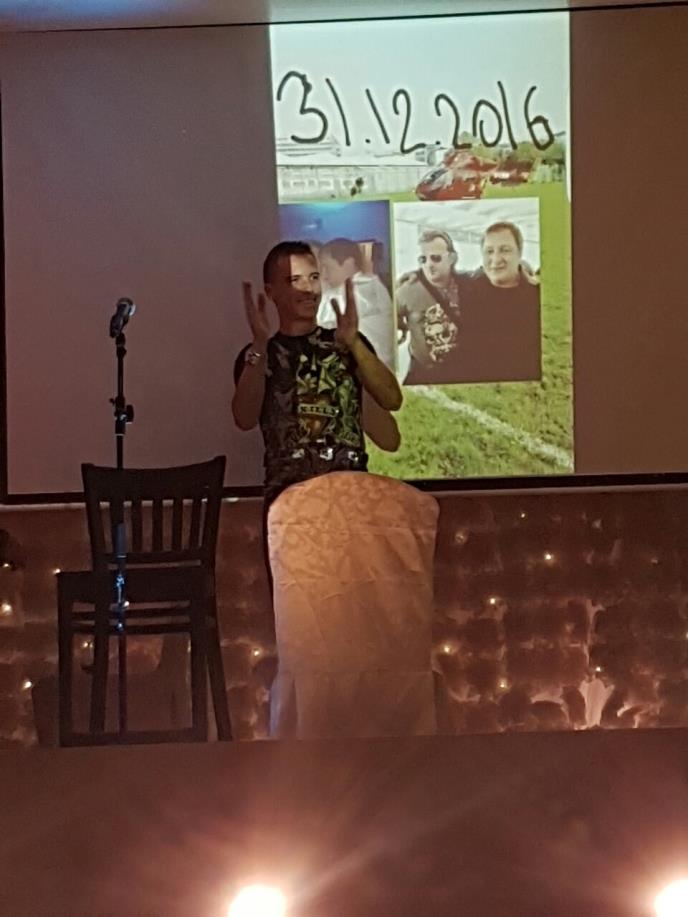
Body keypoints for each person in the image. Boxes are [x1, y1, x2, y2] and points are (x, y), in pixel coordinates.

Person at [232, 239, 403, 523]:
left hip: (351, 502)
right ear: (271, 292)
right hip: (290, 509)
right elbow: (244, 418)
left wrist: (354, 344)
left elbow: (392, 402)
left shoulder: (345, 344)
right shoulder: (261, 355)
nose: (308, 289)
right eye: (295, 280)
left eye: (313, 278)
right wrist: (259, 345)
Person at [455, 221, 541, 382]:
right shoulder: (467, 290)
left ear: (520, 253)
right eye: (489, 251)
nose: (495, 259)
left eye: (505, 250)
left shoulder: (538, 297)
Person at [395, 229, 470, 385]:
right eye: (423, 259)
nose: (429, 264)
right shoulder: (408, 290)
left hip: (462, 372)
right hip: (423, 375)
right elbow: (388, 317)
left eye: (436, 258)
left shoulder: (469, 285)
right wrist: (402, 327)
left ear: (452, 258)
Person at [317, 237, 396, 370]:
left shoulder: (364, 288)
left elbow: (321, 322)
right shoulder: (368, 286)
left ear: (349, 263)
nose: (323, 275)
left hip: (372, 371)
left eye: (327, 267)